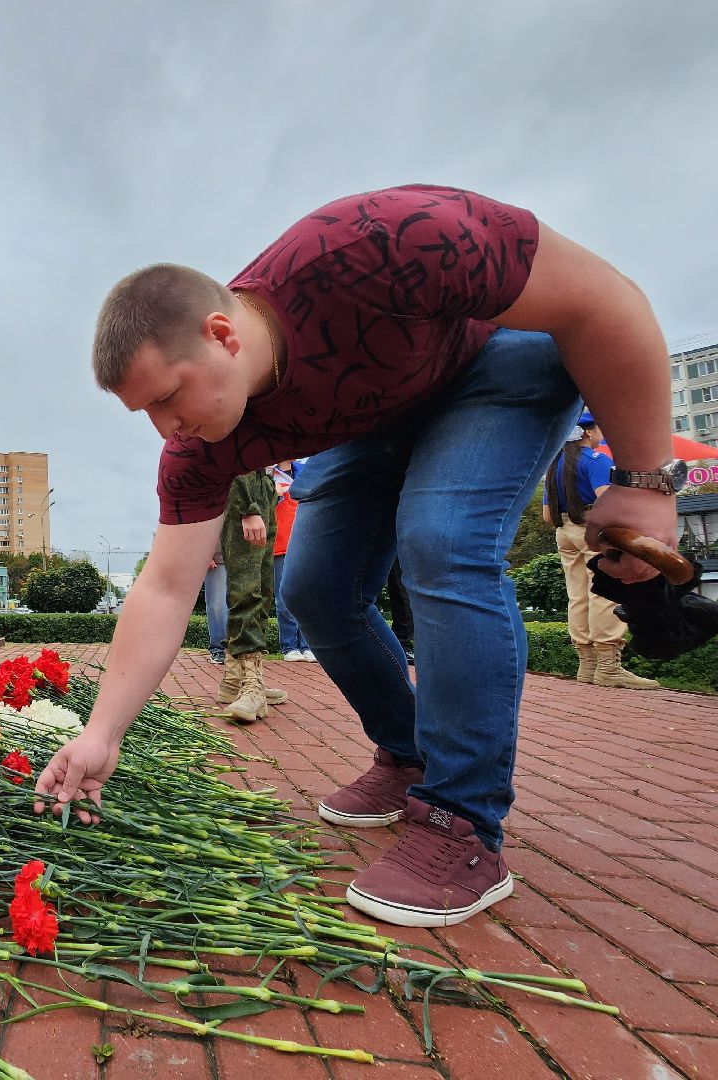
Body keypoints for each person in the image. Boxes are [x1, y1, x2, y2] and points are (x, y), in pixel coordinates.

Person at [33, 184, 678, 929]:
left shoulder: (375, 245)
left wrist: (644, 479)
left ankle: (462, 822)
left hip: (493, 364)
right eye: (144, 412)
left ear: (223, 334)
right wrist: (100, 733)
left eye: (169, 397)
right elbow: (166, 587)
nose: (165, 429)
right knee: (312, 587)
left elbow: (605, 301)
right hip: (375, 415)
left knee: (443, 537)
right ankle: (408, 758)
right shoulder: (198, 445)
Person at [543, 413, 659, 689]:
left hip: (565, 531)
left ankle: (587, 664)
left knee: (578, 595)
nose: (599, 436)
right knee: (604, 593)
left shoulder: (554, 466)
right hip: (593, 529)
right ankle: (608, 667)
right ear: (586, 432)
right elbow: (607, 500)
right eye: (597, 430)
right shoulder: (595, 461)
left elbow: (547, 516)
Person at [217, 470, 288, 722]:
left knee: (263, 590)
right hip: (245, 481)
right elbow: (233, 442)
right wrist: (248, 506)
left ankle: (235, 679)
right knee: (245, 589)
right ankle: (250, 684)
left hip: (264, 485)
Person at [271, 460, 315, 662]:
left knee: (306, 596)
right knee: (283, 599)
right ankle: (289, 646)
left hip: (305, 542)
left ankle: (308, 645)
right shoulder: (269, 473)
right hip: (279, 544)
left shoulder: (305, 471)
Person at [202, 545, 226, 664]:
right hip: (217, 557)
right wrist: (205, 555)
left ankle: (242, 650)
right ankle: (219, 649)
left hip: (242, 558)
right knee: (218, 605)